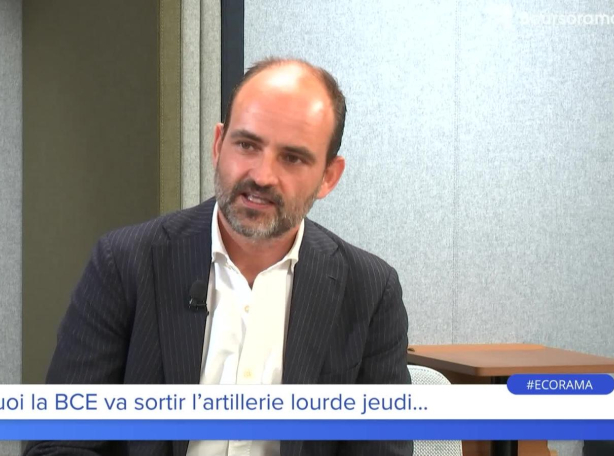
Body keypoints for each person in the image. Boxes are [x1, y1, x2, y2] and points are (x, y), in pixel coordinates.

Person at [24, 58, 411, 456]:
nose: (261, 176)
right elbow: (58, 441)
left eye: (292, 158)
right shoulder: (125, 263)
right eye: (247, 145)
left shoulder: (370, 291)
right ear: (218, 145)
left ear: (329, 176)